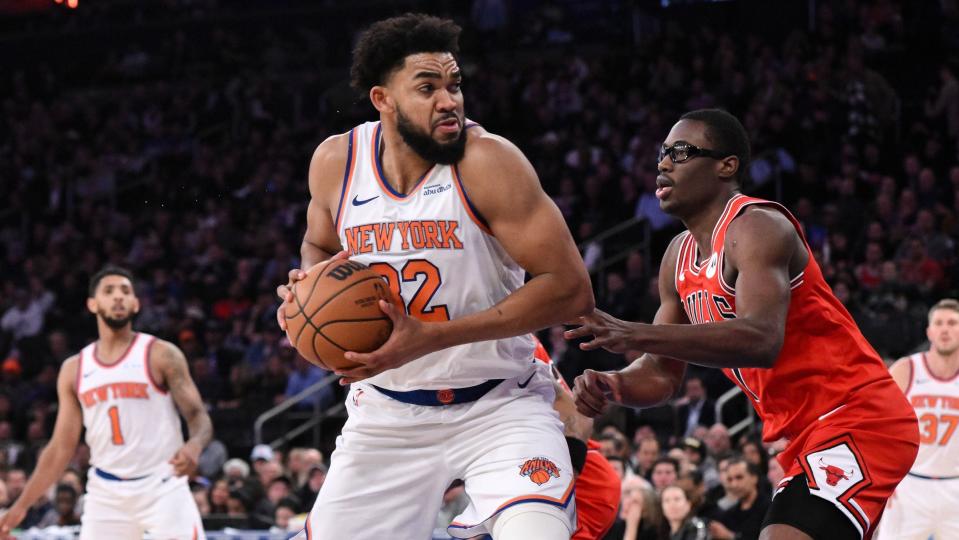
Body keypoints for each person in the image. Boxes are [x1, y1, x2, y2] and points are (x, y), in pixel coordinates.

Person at [275, 14, 593, 539]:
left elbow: (571, 288)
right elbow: (319, 242)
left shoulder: (489, 161)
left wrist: (431, 338)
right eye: (427, 87)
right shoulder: (336, 160)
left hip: (500, 404)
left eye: (455, 84)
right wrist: (308, 283)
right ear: (383, 99)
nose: (450, 100)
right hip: (387, 413)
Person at [567, 109, 919, 540]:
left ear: (726, 165)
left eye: (680, 152)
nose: (663, 163)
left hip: (858, 417)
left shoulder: (756, 227)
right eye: (661, 153)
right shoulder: (676, 257)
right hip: (802, 437)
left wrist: (633, 332)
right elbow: (660, 374)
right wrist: (614, 383)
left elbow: (760, 339)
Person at [0, 266, 212, 539]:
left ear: (136, 304)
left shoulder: (161, 354)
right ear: (92, 303)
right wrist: (21, 505)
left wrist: (195, 444)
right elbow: (61, 447)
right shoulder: (74, 369)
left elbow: (198, 416)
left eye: (126, 291)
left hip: (163, 485)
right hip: (106, 494)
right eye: (109, 291)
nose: (118, 297)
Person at [877, 299, 959, 540]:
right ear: (929, 332)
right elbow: (880, 427)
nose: (945, 329)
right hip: (909, 486)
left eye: (953, 323)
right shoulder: (907, 369)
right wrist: (882, 480)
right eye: (939, 323)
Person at [534, 338, 621, 539]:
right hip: (557, 472)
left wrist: (558, 493)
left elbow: (579, 417)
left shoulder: (512, 342)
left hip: (583, 484)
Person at [708, 458, 769, 540]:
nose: (734, 485)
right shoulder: (729, 514)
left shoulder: (769, 509)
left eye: (739, 477)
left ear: (754, 478)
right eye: (730, 479)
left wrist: (730, 536)